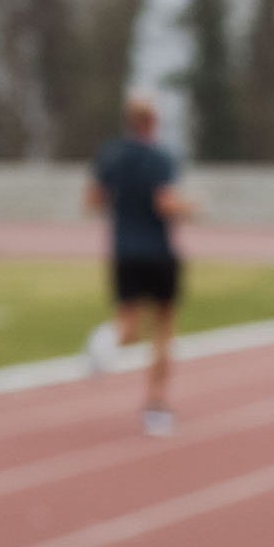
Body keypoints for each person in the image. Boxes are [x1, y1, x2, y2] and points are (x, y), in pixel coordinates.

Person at [83, 92, 188, 434]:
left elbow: (95, 200)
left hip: (124, 250)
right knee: (164, 330)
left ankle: (106, 339)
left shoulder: (111, 156)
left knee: (128, 325)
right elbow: (167, 204)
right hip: (158, 251)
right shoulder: (160, 158)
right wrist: (191, 209)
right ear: (152, 122)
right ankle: (156, 407)